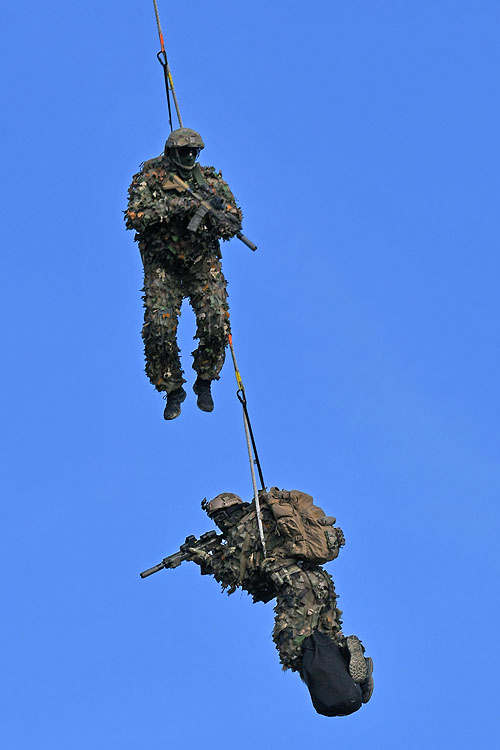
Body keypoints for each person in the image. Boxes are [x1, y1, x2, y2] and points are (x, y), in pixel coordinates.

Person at [186, 489, 374, 716]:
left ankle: (348, 657)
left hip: (295, 586)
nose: (219, 525)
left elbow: (237, 572)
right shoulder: (263, 516)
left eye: (218, 518)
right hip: (318, 582)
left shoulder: (244, 528)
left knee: (292, 646)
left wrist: (207, 558)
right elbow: (260, 584)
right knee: (324, 638)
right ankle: (353, 666)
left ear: (225, 513)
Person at [125, 128, 243, 419]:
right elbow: (134, 216)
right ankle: (172, 388)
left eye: (194, 152)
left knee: (216, 323)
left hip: (201, 261)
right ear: (171, 153)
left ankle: (205, 379)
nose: (189, 156)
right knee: (159, 327)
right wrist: (176, 205)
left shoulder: (211, 182)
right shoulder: (151, 179)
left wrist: (218, 217)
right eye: (183, 152)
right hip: (163, 263)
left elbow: (235, 221)